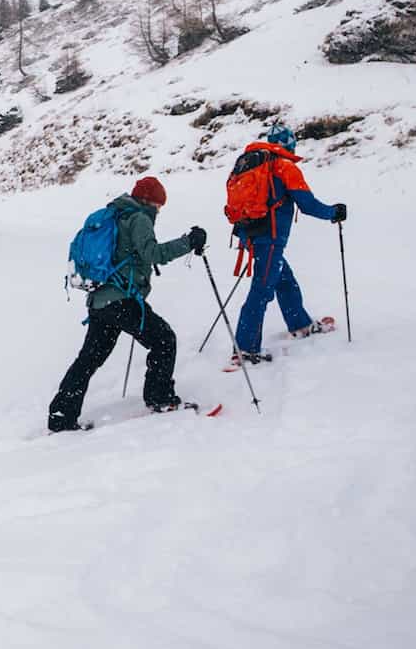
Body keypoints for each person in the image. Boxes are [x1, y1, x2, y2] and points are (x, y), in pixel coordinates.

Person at [47, 175, 207, 430]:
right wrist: (188, 242)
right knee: (164, 340)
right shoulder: (139, 218)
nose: (158, 210)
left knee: (88, 359)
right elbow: (154, 254)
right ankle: (160, 398)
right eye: (157, 205)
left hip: (100, 301)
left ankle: (61, 416)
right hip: (121, 301)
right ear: (148, 201)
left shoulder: (116, 214)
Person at [226, 123, 348, 366]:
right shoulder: (283, 165)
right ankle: (245, 350)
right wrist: (333, 212)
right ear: (289, 144)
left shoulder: (249, 161)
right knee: (261, 291)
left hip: (249, 234)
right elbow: (307, 204)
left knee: (284, 279)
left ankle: (300, 324)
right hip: (269, 238)